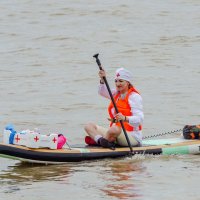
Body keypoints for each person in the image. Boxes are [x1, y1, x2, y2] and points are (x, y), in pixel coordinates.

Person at [84, 67, 144, 148]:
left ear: (128, 83)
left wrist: (125, 118)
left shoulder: (134, 97)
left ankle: (101, 142)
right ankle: (102, 141)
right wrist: (102, 79)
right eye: (116, 81)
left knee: (114, 129)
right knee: (89, 126)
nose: (118, 84)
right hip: (114, 133)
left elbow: (139, 120)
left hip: (132, 137)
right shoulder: (116, 94)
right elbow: (102, 92)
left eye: (121, 81)